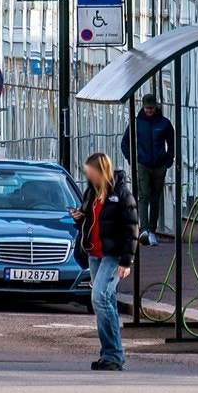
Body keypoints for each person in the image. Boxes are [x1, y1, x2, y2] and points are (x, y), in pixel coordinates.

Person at [71, 151, 139, 372]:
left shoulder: (122, 194)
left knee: (99, 297)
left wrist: (127, 261)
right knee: (105, 301)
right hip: (94, 253)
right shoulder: (91, 193)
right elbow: (89, 221)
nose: (89, 177)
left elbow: (131, 229)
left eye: (92, 173)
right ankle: (110, 355)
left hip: (113, 255)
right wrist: (79, 217)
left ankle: (113, 353)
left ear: (102, 171)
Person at [121, 93, 175, 245]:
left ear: (155, 107)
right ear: (143, 107)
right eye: (147, 108)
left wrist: (168, 161)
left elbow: (171, 142)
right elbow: (125, 143)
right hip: (143, 164)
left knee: (155, 198)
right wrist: (133, 160)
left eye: (151, 108)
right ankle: (144, 229)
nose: (149, 110)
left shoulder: (164, 124)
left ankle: (151, 230)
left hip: (159, 165)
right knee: (144, 197)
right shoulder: (137, 123)